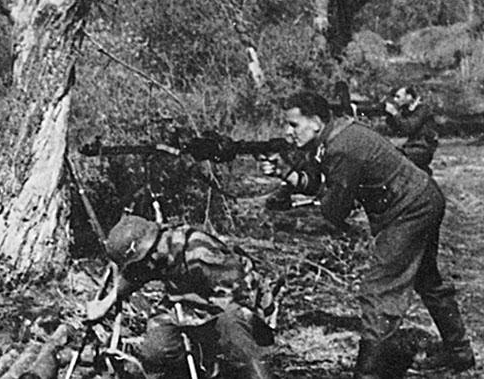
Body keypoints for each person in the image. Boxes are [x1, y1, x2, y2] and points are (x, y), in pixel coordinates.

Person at [281, 91, 474, 379]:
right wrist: (292, 176)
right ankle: (460, 354)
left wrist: (297, 185)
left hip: (410, 209)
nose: (287, 132)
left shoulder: (342, 147)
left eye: (293, 125)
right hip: (421, 197)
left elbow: (335, 210)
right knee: (426, 279)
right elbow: (331, 184)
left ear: (317, 121)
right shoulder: (337, 134)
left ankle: (369, 372)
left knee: (378, 289)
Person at [81, 213, 275, 379]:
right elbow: (135, 276)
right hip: (189, 301)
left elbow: (238, 294)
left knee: (234, 333)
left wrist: (194, 321)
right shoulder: (156, 251)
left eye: (141, 262)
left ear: (151, 252)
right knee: (156, 348)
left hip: (232, 300)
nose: (142, 267)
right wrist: (106, 303)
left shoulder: (198, 253)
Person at [384, 85, 439, 174]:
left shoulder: (423, 109)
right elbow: (399, 131)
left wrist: (394, 113)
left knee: (394, 159)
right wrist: (390, 117)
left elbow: (409, 127)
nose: (395, 100)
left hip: (422, 148)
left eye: (398, 97)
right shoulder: (407, 110)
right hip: (412, 147)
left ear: (409, 97)